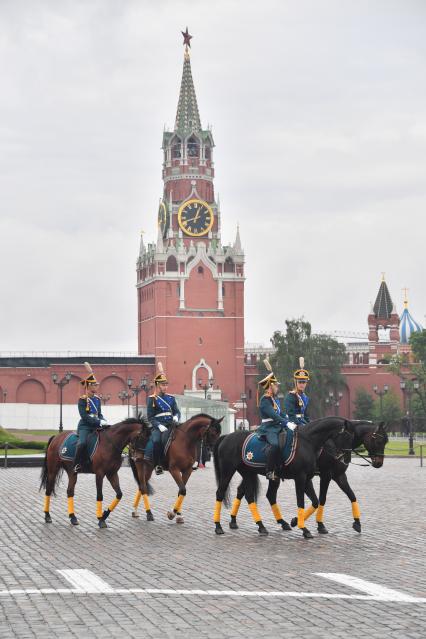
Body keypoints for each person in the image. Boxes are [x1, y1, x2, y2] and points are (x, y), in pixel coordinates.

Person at [256, 360, 289, 482]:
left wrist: (288, 419)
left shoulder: (274, 399)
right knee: (275, 445)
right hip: (268, 428)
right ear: (270, 386)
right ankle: (269, 471)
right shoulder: (265, 400)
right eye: (276, 385)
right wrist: (285, 422)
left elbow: (280, 413)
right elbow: (274, 415)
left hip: (277, 426)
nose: (278, 387)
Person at [146, 362, 181, 474]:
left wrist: (176, 417)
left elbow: (177, 411)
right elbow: (150, 417)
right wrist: (159, 425)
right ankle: (158, 465)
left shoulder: (171, 398)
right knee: (156, 441)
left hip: (171, 423)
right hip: (159, 426)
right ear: (157, 385)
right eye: (163, 385)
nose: (165, 387)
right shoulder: (152, 399)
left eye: (166, 385)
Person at [74, 362, 107, 473]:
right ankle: (77, 464)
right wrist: (98, 422)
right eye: (94, 385)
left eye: (96, 384)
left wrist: (103, 420)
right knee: (82, 443)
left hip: (96, 425)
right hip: (85, 426)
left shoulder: (97, 399)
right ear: (88, 386)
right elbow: (84, 416)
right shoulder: (82, 399)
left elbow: (99, 413)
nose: (96, 386)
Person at [284, 357, 310, 426]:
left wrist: (310, 425)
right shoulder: (290, 396)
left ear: (306, 383)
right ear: (296, 382)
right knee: (290, 433)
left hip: (302, 422)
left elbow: (306, 416)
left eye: (304, 382)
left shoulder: (305, 397)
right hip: (292, 423)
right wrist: (300, 425)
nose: (302, 384)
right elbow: (291, 414)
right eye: (300, 382)